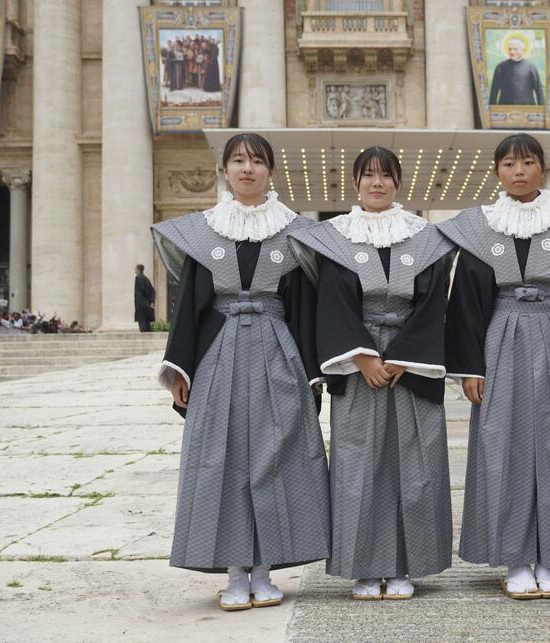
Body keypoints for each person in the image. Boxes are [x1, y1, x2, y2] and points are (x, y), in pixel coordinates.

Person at [150, 133, 330, 612]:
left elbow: (304, 309)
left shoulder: (294, 232)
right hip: (217, 355)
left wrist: (312, 374)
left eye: (256, 161)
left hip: (278, 351)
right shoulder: (205, 231)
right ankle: (233, 571)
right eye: (237, 160)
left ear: (271, 171)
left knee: (279, 456)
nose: (247, 168)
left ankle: (267, 569)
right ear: (224, 171)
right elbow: (189, 306)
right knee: (223, 459)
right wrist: (180, 368)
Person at [438, 133, 550, 600]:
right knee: (504, 446)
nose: (519, 171)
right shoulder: (480, 228)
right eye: (510, 163)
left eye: (529, 162)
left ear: (543, 168)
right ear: (497, 171)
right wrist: (469, 366)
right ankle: (515, 558)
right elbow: (467, 301)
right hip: (500, 337)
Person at [287, 147, 453, 601]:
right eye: (368, 175)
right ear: (354, 183)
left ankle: (405, 566)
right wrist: (361, 357)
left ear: (399, 182)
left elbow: (435, 300)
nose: (377, 183)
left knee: (415, 464)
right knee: (358, 463)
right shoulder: (333, 238)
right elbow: (330, 304)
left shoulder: (427, 237)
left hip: (410, 368)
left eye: (386, 175)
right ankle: (364, 567)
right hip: (357, 366)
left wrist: (403, 356)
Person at [489, 34, 544, 105]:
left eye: (515, 49)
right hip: (506, 109)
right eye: (510, 49)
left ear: (523, 50)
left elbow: (539, 90)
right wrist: (492, 110)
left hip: (526, 109)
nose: (512, 52)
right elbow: (494, 91)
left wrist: (542, 110)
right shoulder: (500, 67)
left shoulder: (531, 67)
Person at [134, 264, 156, 332]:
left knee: (143, 326)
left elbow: (143, 290)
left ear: (138, 269)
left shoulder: (138, 278)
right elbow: (152, 290)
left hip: (141, 304)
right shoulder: (146, 278)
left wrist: (149, 301)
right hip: (146, 305)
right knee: (147, 325)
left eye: (135, 269)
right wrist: (151, 301)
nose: (134, 270)